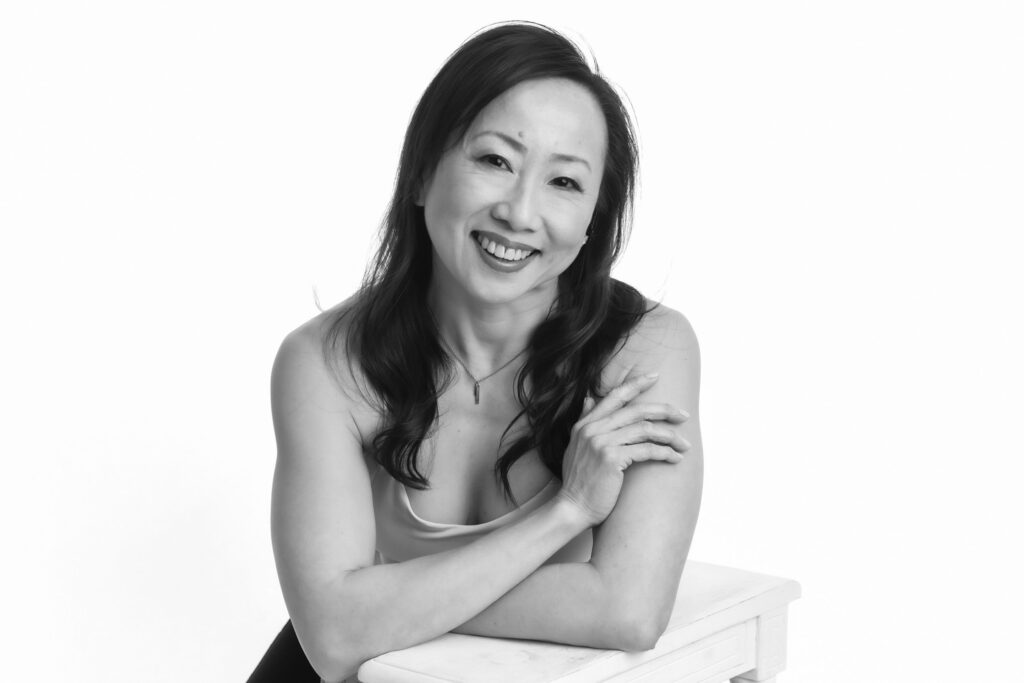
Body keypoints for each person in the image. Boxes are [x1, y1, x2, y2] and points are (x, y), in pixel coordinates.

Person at [248, 21, 703, 683]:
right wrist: (567, 508)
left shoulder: (645, 348)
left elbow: (628, 608)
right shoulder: (323, 363)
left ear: (591, 224)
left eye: (565, 183)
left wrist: (383, 594)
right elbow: (331, 635)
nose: (520, 212)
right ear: (423, 174)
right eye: (494, 160)